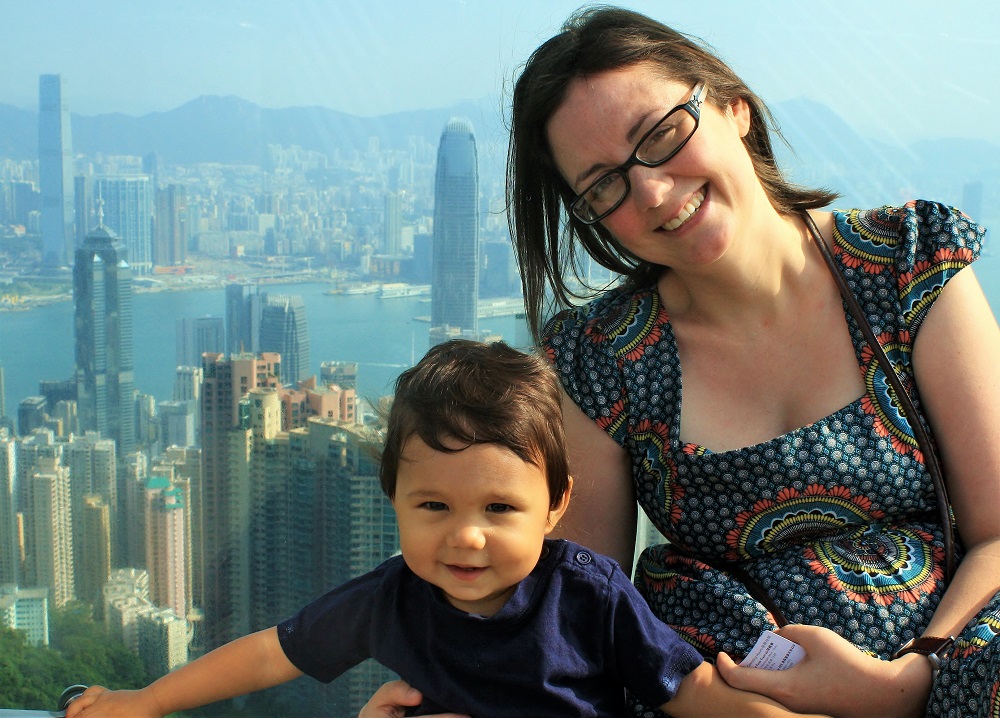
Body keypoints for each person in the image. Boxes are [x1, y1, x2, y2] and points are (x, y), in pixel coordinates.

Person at [361, 6, 1000, 718]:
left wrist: (906, 685)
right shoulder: (601, 360)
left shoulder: (907, 264)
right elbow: (575, 615)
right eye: (604, 185)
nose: (654, 192)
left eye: (662, 135)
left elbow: (999, 532)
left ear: (735, 109)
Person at [65, 340, 822, 718]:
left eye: (499, 509)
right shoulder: (388, 600)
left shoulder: (589, 595)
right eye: (434, 507)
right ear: (393, 497)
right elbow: (270, 655)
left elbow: (688, 690)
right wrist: (143, 703)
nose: (466, 537)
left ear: (556, 505)